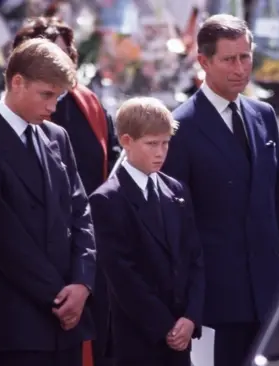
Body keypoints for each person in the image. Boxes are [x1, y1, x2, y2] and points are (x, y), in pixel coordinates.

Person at [162, 14, 279, 366]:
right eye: (229, 59)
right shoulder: (181, 126)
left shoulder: (263, 114)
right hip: (217, 301)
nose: (240, 68)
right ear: (204, 62)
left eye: (245, 56)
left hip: (270, 292)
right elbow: (177, 227)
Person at [0, 38, 96, 366]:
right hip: (19, 326)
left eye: (57, 97)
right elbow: (4, 243)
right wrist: (61, 298)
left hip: (69, 320)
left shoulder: (57, 137)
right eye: (46, 95)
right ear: (17, 82)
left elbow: (80, 212)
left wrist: (82, 282)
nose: (53, 106)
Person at [12, 18, 120, 365]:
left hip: (94, 251)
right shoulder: (18, 120)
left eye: (64, 54)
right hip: (43, 264)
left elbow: (113, 165)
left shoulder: (91, 105)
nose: (59, 62)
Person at [90, 97, 204, 366]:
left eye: (165, 143)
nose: (160, 152)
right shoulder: (107, 199)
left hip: (181, 334)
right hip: (137, 339)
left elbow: (195, 258)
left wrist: (190, 317)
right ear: (127, 141)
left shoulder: (176, 190)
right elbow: (122, 275)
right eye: (152, 144)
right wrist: (165, 326)